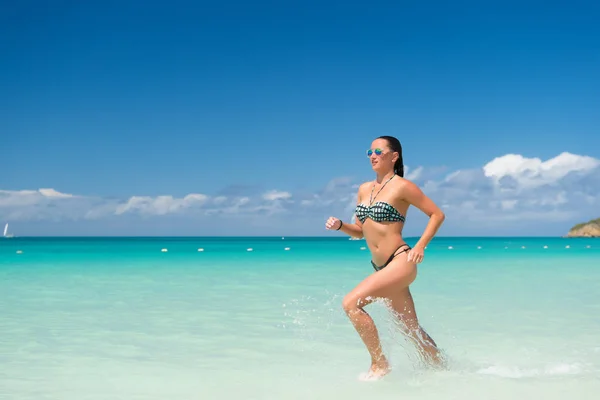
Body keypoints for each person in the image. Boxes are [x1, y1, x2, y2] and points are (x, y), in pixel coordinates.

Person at [325, 135, 446, 380]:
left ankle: (379, 364)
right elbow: (360, 231)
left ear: (394, 156)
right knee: (410, 329)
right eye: (369, 151)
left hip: (401, 261)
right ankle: (443, 369)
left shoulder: (402, 186)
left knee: (351, 303)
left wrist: (420, 246)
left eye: (378, 151)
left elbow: (437, 214)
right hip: (381, 268)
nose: (372, 155)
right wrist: (340, 226)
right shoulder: (363, 189)